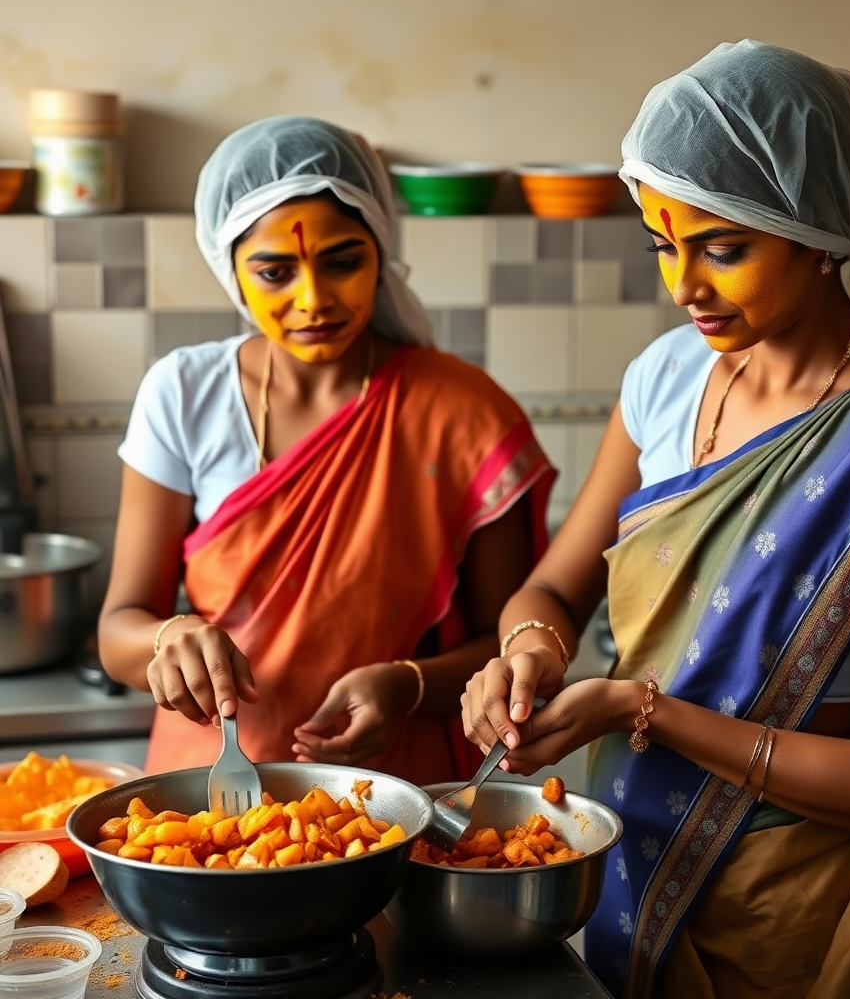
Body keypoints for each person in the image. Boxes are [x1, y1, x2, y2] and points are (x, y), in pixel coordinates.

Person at [461, 40, 850, 999]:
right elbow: (556, 583)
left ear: (821, 232)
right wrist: (527, 649)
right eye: (664, 246)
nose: (685, 288)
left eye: (724, 248)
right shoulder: (668, 380)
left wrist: (642, 710)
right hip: (630, 865)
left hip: (811, 909)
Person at [98, 116, 554, 785]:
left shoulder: (464, 409)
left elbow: (515, 647)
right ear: (232, 272)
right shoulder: (182, 393)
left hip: (398, 798)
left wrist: (405, 686)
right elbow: (119, 629)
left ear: (380, 251)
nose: (313, 300)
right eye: (275, 272)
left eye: (342, 262)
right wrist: (169, 639)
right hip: (210, 795)